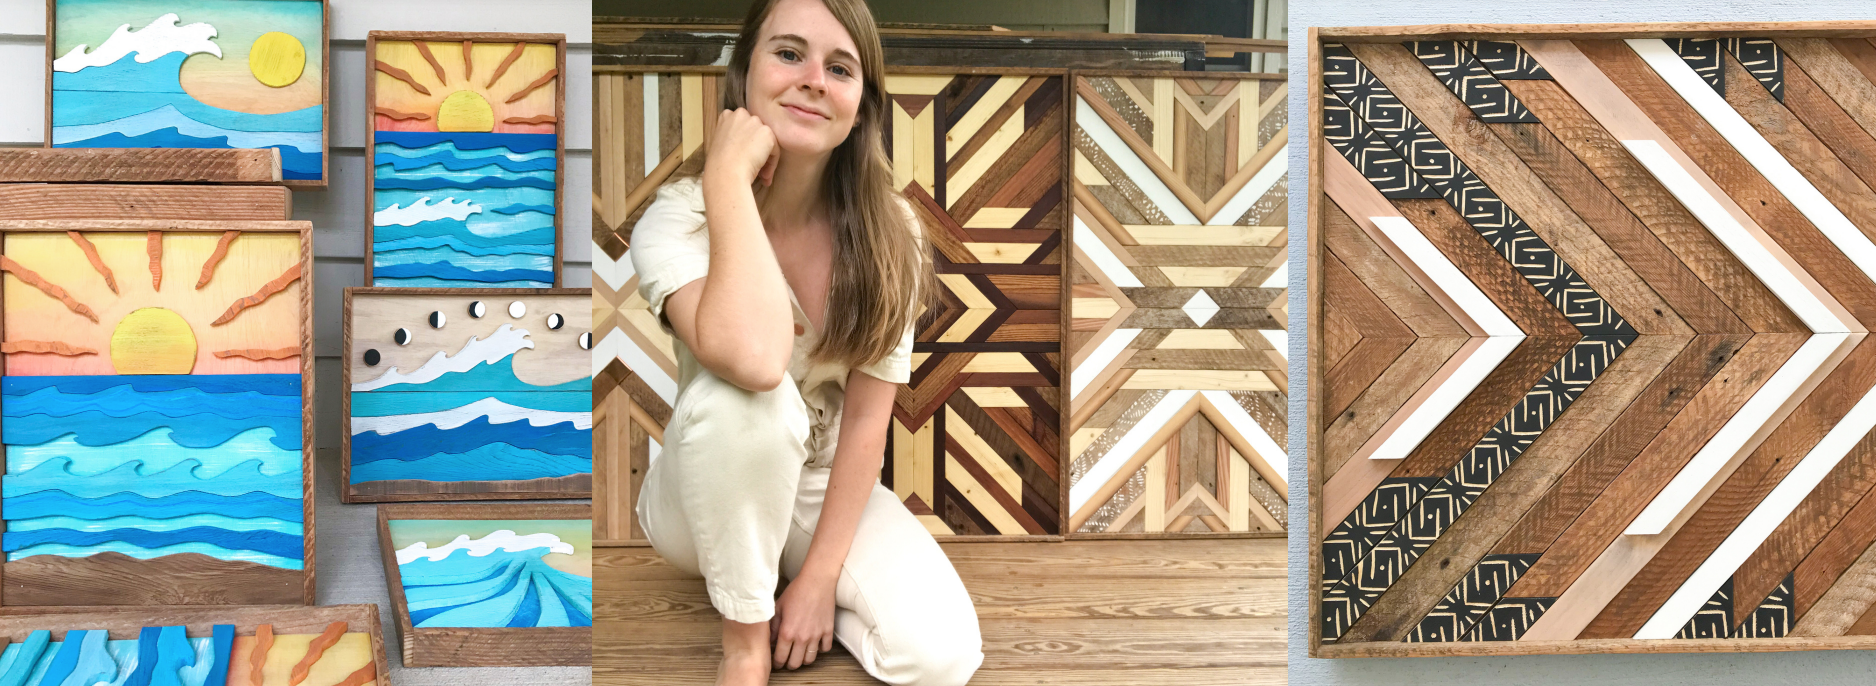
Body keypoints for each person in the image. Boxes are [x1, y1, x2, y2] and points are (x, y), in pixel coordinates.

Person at [628, 0, 986, 684]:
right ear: (744, 74)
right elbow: (756, 361)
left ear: (861, 106)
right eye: (789, 54)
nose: (814, 79)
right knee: (750, 401)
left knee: (938, 656)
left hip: (820, 482)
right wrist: (728, 180)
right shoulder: (679, 219)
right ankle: (745, 642)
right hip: (705, 489)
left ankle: (788, 595)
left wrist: (820, 580)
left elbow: (867, 425)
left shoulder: (891, 234)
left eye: (840, 68)